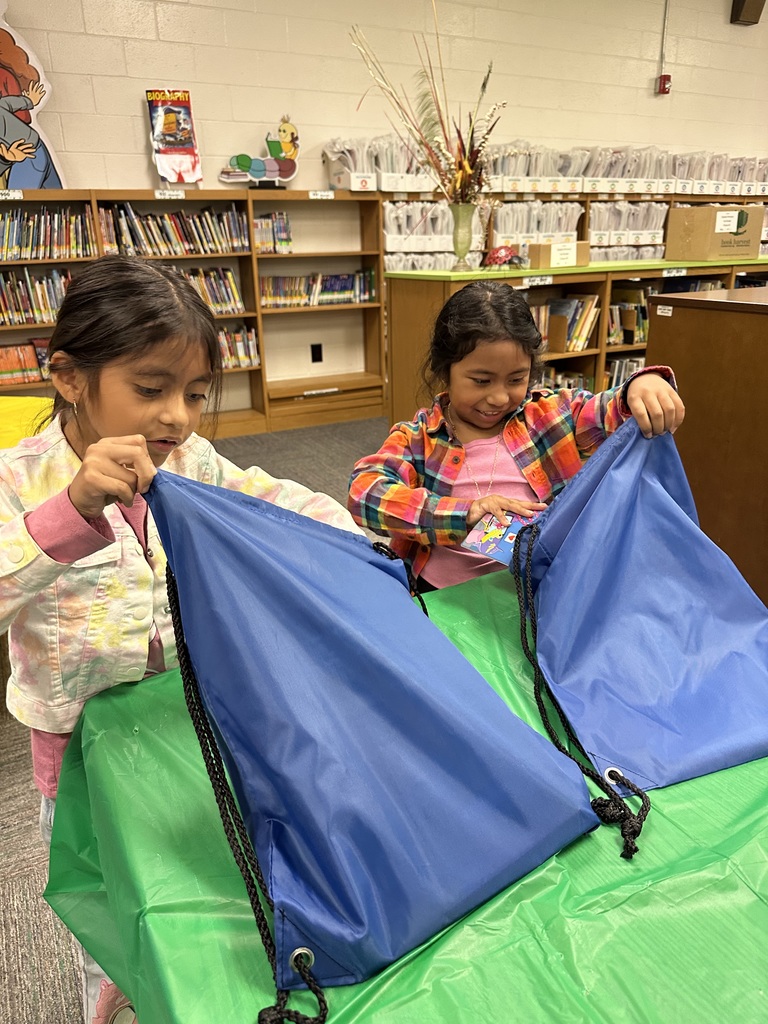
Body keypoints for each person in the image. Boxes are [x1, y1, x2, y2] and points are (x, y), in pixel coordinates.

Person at [0, 255, 361, 1024]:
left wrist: (349, 541)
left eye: (195, 393)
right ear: (69, 377)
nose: (178, 418)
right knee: (105, 900)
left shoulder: (188, 460)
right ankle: (109, 992)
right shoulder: (17, 479)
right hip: (81, 754)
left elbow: (269, 499)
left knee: (193, 877)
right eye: (152, 388)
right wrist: (68, 510)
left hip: (186, 727)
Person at [348, 280, 684, 592]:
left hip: (536, 594)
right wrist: (463, 514)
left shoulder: (552, 415)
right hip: (440, 596)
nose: (498, 398)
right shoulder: (418, 437)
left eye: (515, 380)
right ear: (444, 371)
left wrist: (641, 386)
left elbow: (610, 411)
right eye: (481, 380)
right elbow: (364, 493)